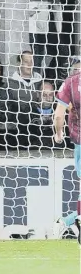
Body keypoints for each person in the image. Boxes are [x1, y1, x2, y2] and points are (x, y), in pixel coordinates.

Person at [53, 65, 81, 242]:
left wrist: (58, 133)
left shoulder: (70, 82)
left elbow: (58, 116)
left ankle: (68, 221)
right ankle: (69, 220)